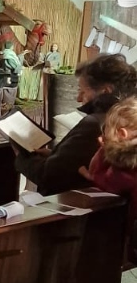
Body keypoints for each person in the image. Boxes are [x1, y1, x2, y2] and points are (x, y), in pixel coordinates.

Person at [12, 54, 137, 196]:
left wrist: (21, 156)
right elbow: (81, 162)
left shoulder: (97, 124)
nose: (78, 99)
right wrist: (56, 155)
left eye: (83, 91)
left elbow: (50, 176)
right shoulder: (130, 119)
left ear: (105, 91)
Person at [85, 97, 137, 260]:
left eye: (106, 133)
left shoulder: (127, 161)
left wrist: (104, 152)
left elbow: (104, 182)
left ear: (122, 134)